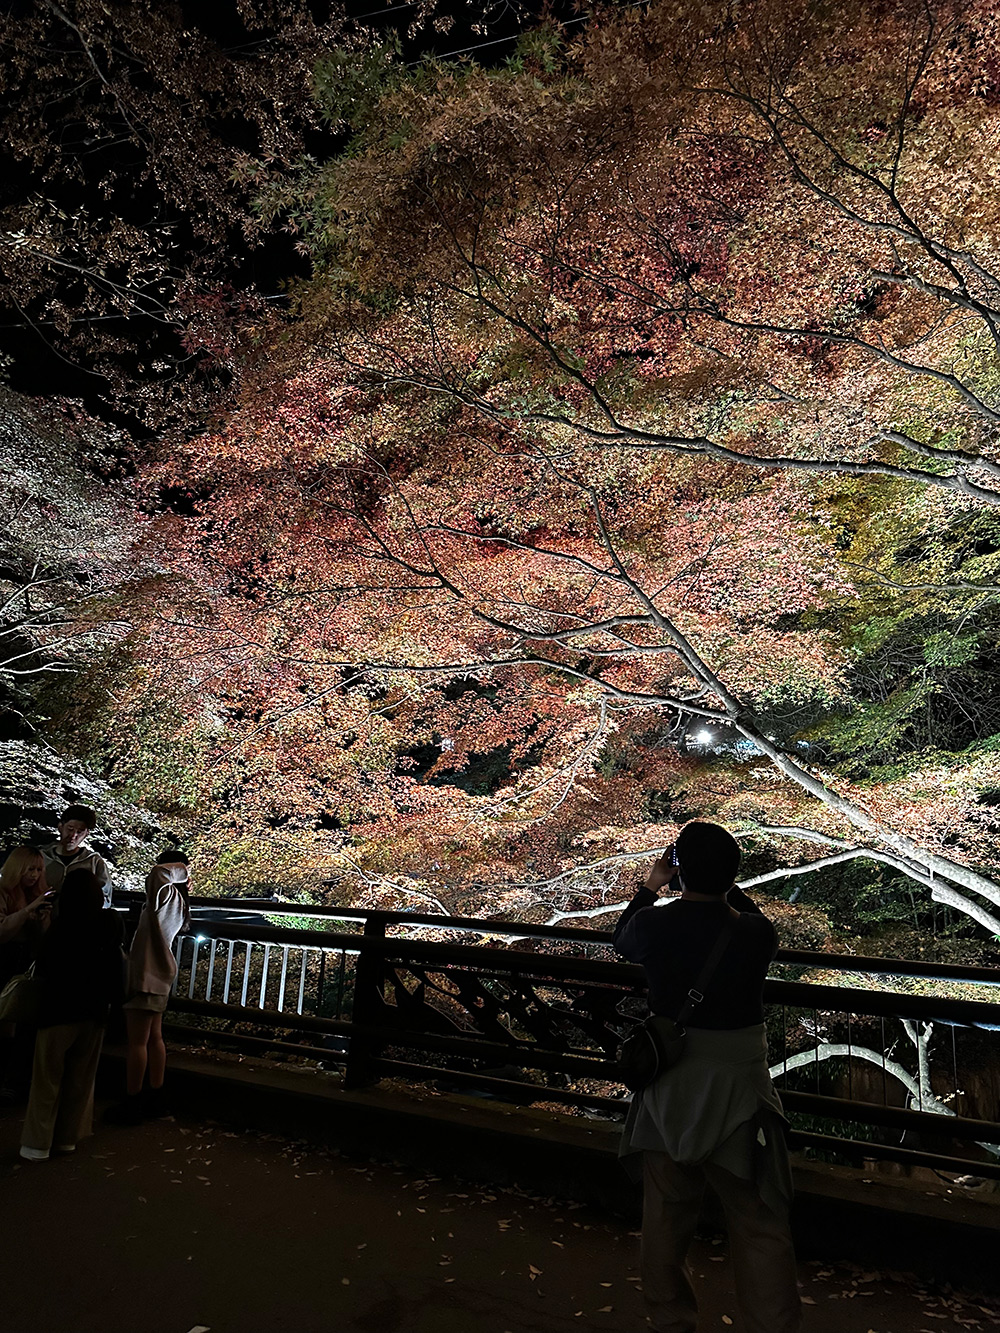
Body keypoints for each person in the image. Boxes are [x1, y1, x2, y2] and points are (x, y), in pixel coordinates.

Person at [613, 820, 801, 1333]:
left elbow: (623, 939)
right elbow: (751, 917)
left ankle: (670, 1321)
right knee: (760, 1221)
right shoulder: (755, 933)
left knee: (666, 1217)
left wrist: (651, 886)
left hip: (671, 1085)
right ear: (733, 875)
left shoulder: (656, 926)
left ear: (679, 873)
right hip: (740, 1090)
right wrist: (724, 883)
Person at [19, 869, 124, 1160]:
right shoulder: (109, 925)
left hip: (57, 1012)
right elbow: (116, 969)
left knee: (46, 1079)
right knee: (79, 1079)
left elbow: (44, 965)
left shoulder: (61, 927)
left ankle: (36, 1145)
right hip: (94, 1014)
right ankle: (67, 1139)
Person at [108, 849, 191, 1124]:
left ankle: (133, 1102)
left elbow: (157, 874)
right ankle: (156, 1098)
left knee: (137, 1043)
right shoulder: (178, 901)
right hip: (160, 974)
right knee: (155, 1039)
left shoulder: (164, 894)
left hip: (146, 975)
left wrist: (183, 870)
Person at [0, 847, 55, 1096]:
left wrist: (43, 918)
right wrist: (26, 910)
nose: (34, 875)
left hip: (26, 960)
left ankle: (13, 1078)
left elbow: (44, 938)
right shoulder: (3, 891)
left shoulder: (38, 893)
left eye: (38, 870)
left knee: (19, 1020)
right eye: (29, 869)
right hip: (5, 958)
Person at [40, 804, 111, 906]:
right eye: (70, 829)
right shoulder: (41, 857)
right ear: (60, 827)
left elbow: (105, 900)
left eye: (80, 832)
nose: (73, 836)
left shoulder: (94, 862)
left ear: (86, 834)